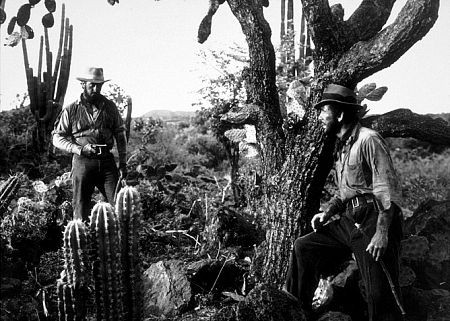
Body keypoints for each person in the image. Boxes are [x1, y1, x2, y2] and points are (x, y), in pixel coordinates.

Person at [285, 84, 404, 321]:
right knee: (304, 246)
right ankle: (295, 313)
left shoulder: (369, 140)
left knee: (379, 293)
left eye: (323, 111)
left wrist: (382, 232)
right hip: (349, 219)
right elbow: (346, 192)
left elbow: (385, 190)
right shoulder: (342, 148)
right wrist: (327, 212)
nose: (319, 117)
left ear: (339, 114)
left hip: (372, 217)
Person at [52, 67, 127, 221]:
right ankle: (81, 241)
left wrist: (123, 162)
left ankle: (117, 242)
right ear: (83, 85)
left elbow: (120, 133)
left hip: (106, 161)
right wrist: (79, 149)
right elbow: (57, 138)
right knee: (80, 206)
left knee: (119, 204)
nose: (95, 88)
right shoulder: (71, 110)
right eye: (91, 85)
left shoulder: (110, 107)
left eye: (99, 85)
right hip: (83, 161)